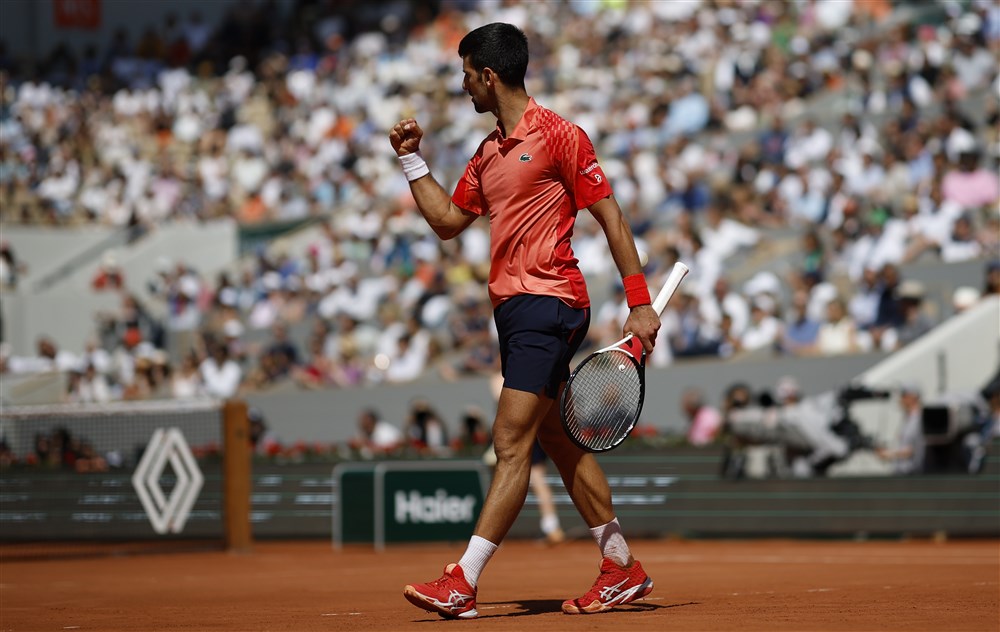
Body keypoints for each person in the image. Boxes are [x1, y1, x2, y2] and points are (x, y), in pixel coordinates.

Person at [391, 23, 660, 619]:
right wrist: (410, 160)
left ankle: (463, 580)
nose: (463, 86)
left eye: (466, 75)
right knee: (557, 438)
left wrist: (639, 301)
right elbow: (448, 222)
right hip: (514, 311)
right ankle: (621, 566)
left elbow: (612, 218)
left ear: (489, 76)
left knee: (510, 442)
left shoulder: (561, 135)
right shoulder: (486, 153)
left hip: (550, 301)